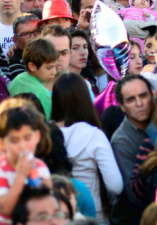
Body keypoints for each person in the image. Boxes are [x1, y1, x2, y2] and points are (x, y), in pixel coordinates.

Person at [52, 73, 122, 222]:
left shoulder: (46, 134)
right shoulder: (94, 135)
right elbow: (115, 185)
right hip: (96, 217)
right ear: (85, 99)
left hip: (57, 216)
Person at [8, 38, 58, 119]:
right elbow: (47, 123)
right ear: (32, 66)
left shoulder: (17, 80)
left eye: (55, 67)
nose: (54, 72)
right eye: (49, 68)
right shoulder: (43, 94)